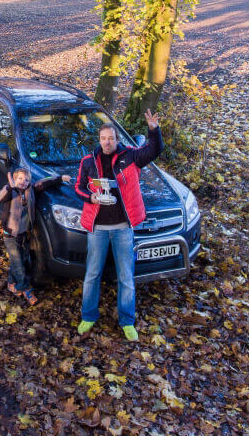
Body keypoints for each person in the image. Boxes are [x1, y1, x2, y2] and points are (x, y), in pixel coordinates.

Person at [73, 110, 163, 341]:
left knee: (126, 276)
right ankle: (88, 316)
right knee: (92, 274)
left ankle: (127, 321)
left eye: (111, 138)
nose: (107, 142)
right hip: (98, 228)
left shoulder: (131, 156)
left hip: (124, 227)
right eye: (103, 138)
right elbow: (79, 187)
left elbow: (154, 151)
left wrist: (154, 131)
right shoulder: (88, 161)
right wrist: (90, 197)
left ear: (116, 139)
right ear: (99, 140)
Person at [0, 165, 72, 306]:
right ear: (14, 180)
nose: (23, 182)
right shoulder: (11, 192)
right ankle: (25, 288)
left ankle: (11, 281)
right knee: (18, 263)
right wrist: (9, 187)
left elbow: (44, 182)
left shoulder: (30, 190)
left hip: (24, 233)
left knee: (21, 259)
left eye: (26, 179)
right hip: (10, 234)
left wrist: (60, 178)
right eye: (19, 179)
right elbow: (0, 197)